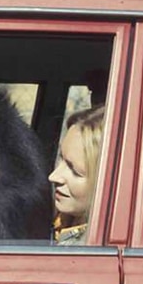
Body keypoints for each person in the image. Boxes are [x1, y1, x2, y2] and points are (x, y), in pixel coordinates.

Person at [49, 105, 105, 245]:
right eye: (60, 158)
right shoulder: (57, 224)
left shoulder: (93, 255)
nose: (53, 176)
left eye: (75, 171)